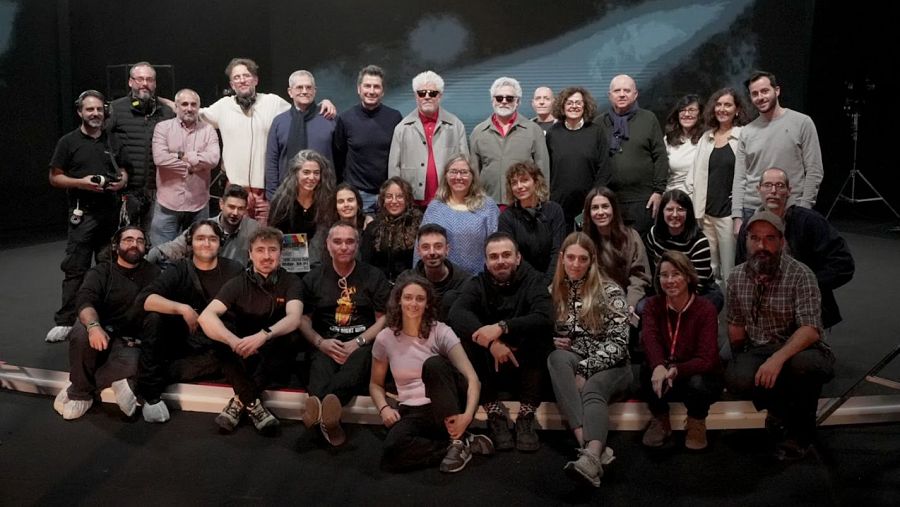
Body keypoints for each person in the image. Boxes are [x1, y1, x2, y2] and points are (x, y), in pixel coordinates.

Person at [725, 211, 835, 460]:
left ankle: (800, 434)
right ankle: (780, 410)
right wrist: (740, 358)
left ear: (782, 242)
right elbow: (736, 324)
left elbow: (810, 329)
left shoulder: (801, 274)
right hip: (759, 347)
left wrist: (776, 359)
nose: (761, 246)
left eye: (770, 238)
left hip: (801, 347)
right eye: (755, 238)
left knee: (804, 366)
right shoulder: (736, 277)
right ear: (746, 241)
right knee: (737, 377)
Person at [370, 276, 495, 473]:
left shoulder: (441, 332)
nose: (413, 303)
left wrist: (467, 417)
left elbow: (472, 379)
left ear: (427, 303)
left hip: (445, 405)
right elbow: (375, 384)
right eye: (408, 297)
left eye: (420, 299)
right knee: (391, 454)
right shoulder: (385, 338)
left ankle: (456, 439)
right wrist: (383, 408)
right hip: (411, 410)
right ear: (399, 300)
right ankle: (456, 445)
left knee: (433, 364)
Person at [448, 233, 554, 453]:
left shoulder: (533, 279)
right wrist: (492, 344)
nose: (500, 261)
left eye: (506, 255)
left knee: (541, 334)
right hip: (489, 364)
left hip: (526, 361)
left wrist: (502, 327)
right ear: (486, 261)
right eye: (494, 257)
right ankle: (493, 412)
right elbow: (457, 313)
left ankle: (526, 414)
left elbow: (546, 316)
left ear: (518, 258)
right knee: (466, 338)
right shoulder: (478, 282)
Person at [202, 58, 335, 225]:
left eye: (246, 75)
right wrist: (171, 104)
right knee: (235, 236)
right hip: (235, 190)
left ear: (255, 80)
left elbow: (301, 108)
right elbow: (193, 113)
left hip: (264, 193)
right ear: (231, 84)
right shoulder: (222, 106)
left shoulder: (273, 102)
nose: (242, 80)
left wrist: (324, 103)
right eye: (237, 77)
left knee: (265, 237)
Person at [134, 220, 244, 422]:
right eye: (200, 238)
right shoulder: (179, 269)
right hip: (184, 339)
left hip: (219, 343)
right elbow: (145, 300)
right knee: (154, 318)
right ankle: (151, 393)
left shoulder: (234, 270)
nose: (206, 244)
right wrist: (182, 308)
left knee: (228, 353)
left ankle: (141, 382)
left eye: (212, 239)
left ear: (221, 242)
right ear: (190, 242)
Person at [198, 227, 304, 434]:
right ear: (250, 254)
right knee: (218, 335)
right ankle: (254, 405)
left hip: (272, 347)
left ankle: (240, 402)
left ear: (281, 253)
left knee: (291, 337)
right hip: (243, 348)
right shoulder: (237, 283)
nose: (266, 256)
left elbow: (294, 318)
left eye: (272, 250)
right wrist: (232, 340)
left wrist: (264, 336)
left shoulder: (292, 281)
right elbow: (205, 316)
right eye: (260, 250)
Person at [547, 232, 631, 487]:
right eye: (571, 257)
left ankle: (591, 454)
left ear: (592, 261)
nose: (576, 264)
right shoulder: (554, 291)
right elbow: (544, 330)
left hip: (613, 364)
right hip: (576, 357)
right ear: (562, 258)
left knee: (592, 388)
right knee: (556, 358)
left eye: (582, 259)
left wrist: (585, 369)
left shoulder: (610, 291)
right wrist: (552, 341)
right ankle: (590, 450)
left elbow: (619, 344)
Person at [46, 90, 130, 343]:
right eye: (90, 109)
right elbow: (55, 178)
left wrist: (121, 181)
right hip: (82, 215)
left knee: (109, 268)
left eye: (99, 109)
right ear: (80, 112)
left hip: (111, 215)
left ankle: (108, 317)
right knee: (76, 268)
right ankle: (65, 321)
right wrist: (81, 183)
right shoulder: (68, 142)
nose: (95, 114)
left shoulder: (113, 140)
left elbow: (124, 170)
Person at [53, 226, 160, 420]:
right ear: (116, 246)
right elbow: (84, 300)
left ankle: (78, 383)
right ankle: (80, 394)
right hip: (99, 336)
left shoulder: (154, 273)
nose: (134, 244)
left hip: (130, 342)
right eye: (128, 240)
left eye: (140, 241)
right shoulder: (101, 271)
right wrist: (94, 327)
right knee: (81, 330)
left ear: (146, 246)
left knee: (144, 365)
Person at [299, 222, 391, 446]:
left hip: (362, 343)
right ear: (328, 245)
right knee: (319, 367)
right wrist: (320, 342)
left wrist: (358, 342)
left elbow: (384, 319)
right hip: (325, 342)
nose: (343, 247)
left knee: (359, 364)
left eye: (350, 242)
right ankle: (329, 419)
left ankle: (321, 409)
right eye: (337, 242)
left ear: (357, 245)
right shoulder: (313, 277)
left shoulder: (373, 275)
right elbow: (303, 320)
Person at [735, 168, 854, 328]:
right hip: (762, 313)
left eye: (779, 185)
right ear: (759, 189)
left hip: (804, 311)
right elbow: (741, 269)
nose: (773, 191)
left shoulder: (810, 222)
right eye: (768, 185)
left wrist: (805, 287)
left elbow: (843, 264)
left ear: (789, 191)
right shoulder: (748, 227)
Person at [640, 251, 722, 450]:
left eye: (676, 274)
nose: (670, 280)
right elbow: (649, 339)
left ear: (688, 276)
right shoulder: (652, 305)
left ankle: (696, 422)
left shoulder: (706, 309)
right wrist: (658, 366)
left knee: (699, 382)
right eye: (664, 275)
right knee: (646, 369)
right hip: (665, 370)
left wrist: (678, 369)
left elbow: (706, 359)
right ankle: (660, 419)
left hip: (693, 372)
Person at [732, 70, 824, 234]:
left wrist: (805, 209)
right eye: (754, 94)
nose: (760, 97)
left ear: (777, 90)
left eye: (764, 91)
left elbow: (814, 170)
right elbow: (740, 177)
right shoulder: (747, 132)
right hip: (752, 210)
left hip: (791, 210)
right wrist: (737, 216)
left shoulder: (802, 123)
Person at [685, 87, 750, 288]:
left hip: (728, 216)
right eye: (719, 104)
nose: (722, 109)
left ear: (737, 109)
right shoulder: (706, 137)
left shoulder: (743, 136)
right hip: (705, 215)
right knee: (708, 270)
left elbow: (748, 175)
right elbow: (694, 176)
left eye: (728, 105)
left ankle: (732, 307)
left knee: (730, 271)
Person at [597, 74, 668, 236]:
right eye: (617, 91)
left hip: (644, 200)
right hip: (609, 200)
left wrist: (658, 191)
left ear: (635, 94)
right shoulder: (599, 123)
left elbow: (660, 156)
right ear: (610, 95)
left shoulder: (648, 119)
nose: (622, 94)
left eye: (627, 90)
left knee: (641, 246)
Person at [107, 62, 175, 227]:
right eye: (140, 79)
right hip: (126, 191)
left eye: (149, 79)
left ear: (155, 83)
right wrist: (117, 171)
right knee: (126, 238)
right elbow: (102, 144)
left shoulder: (166, 112)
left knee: (154, 240)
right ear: (130, 82)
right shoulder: (115, 109)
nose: (145, 83)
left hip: (158, 191)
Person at [149, 88, 220, 245]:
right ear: (176, 107)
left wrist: (181, 156)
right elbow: (160, 159)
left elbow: (213, 159)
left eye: (193, 104)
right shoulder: (162, 128)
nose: (189, 108)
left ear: (198, 107)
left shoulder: (208, 130)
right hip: (167, 204)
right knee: (161, 253)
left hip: (198, 205)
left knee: (198, 253)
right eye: (184, 104)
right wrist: (192, 163)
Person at [388, 70, 469, 207]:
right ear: (416, 96)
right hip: (413, 203)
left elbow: (466, 164)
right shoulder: (402, 128)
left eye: (432, 93)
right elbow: (394, 169)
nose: (427, 97)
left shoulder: (456, 125)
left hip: (448, 201)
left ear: (440, 96)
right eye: (422, 93)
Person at [333, 65, 403, 212]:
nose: (371, 91)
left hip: (387, 196)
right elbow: (338, 157)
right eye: (367, 86)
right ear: (359, 89)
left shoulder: (395, 118)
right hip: (357, 195)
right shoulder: (345, 119)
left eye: (376, 87)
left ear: (382, 91)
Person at [469, 76, 550, 204]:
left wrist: (543, 202)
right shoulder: (478, 132)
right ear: (493, 100)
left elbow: (543, 169)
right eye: (499, 98)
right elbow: (474, 172)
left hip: (524, 204)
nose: (504, 101)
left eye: (509, 98)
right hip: (488, 203)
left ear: (517, 101)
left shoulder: (533, 130)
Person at [419, 155, 499, 274]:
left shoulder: (488, 206)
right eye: (453, 172)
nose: (458, 177)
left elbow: (497, 245)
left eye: (464, 172)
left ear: (473, 176)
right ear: (445, 175)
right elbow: (421, 245)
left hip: (479, 278)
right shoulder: (435, 207)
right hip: (441, 277)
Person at [581, 187, 651, 321]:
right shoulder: (583, 241)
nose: (600, 212)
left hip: (628, 296)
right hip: (595, 298)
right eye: (595, 208)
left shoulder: (632, 237)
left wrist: (630, 304)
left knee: (643, 308)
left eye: (605, 206)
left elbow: (639, 276)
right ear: (589, 212)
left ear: (613, 208)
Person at [645, 189, 723, 312]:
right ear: (662, 212)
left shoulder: (699, 241)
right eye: (669, 209)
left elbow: (698, 284)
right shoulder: (653, 234)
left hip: (697, 290)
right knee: (642, 307)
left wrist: (675, 307)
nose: (675, 214)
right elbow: (652, 272)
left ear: (688, 213)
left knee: (708, 305)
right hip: (664, 288)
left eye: (680, 209)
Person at [147, 184, 260, 267]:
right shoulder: (203, 227)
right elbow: (177, 247)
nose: (235, 213)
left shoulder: (254, 229)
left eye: (240, 209)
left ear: (246, 208)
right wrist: (153, 255)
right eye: (231, 207)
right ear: (221, 204)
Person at [546, 86, 611, 229]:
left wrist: (596, 198)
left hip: (589, 204)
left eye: (578, 103)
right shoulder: (552, 133)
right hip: (559, 205)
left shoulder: (596, 132)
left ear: (585, 106)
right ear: (562, 106)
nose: (574, 106)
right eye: (569, 103)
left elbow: (604, 168)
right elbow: (546, 168)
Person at [265, 70, 336, 200]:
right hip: (286, 195)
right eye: (299, 87)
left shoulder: (329, 119)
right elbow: (272, 161)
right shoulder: (279, 122)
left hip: (323, 195)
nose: (304, 91)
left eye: (308, 87)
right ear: (290, 92)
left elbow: (340, 159)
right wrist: (272, 196)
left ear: (315, 91)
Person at [268, 149, 337, 274]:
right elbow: (274, 234)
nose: (312, 177)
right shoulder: (282, 200)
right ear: (296, 173)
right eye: (306, 172)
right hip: (288, 265)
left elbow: (324, 236)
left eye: (316, 173)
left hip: (318, 263)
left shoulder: (327, 199)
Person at [498, 161, 566, 285]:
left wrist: (548, 281)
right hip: (522, 282)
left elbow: (558, 250)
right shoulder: (506, 217)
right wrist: (534, 284)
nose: (519, 186)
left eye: (524, 180)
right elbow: (512, 255)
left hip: (554, 280)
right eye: (514, 183)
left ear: (536, 182)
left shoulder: (554, 210)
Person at [399, 223, 471, 321]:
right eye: (426, 247)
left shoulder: (464, 282)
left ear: (447, 249)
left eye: (438, 246)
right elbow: (394, 315)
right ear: (418, 251)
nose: (432, 252)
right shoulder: (405, 280)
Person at [361, 177, 423, 282]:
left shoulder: (418, 225)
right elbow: (366, 264)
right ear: (383, 200)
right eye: (389, 196)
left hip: (409, 284)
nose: (394, 201)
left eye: (400, 196)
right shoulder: (373, 227)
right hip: (379, 284)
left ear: (407, 199)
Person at [663, 94, 704, 192]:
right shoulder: (668, 139)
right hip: (673, 194)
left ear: (700, 114)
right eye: (682, 110)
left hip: (699, 194)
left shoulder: (707, 138)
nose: (686, 114)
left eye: (691, 110)